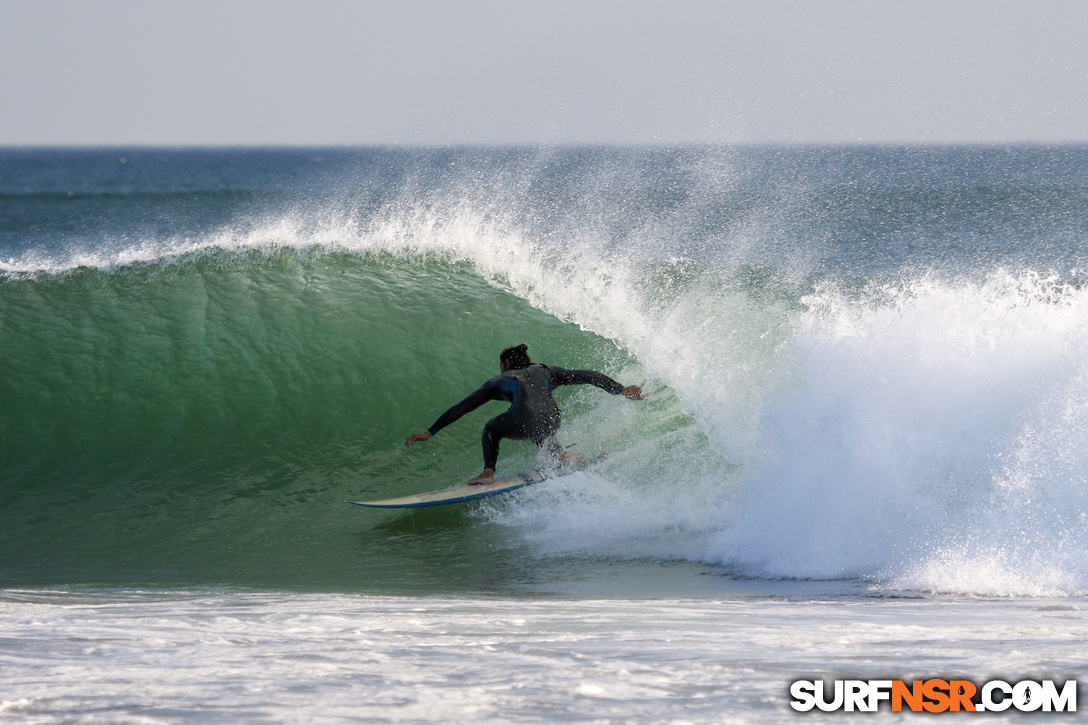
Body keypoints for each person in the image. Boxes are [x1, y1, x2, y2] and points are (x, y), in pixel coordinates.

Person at [405, 344, 643, 485]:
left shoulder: (500, 381)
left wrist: (430, 431)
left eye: (501, 364)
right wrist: (621, 390)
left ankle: (488, 473)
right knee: (539, 425)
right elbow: (589, 375)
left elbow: (464, 406)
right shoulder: (547, 372)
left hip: (525, 421)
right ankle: (562, 457)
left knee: (492, 428)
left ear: (507, 363)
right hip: (553, 420)